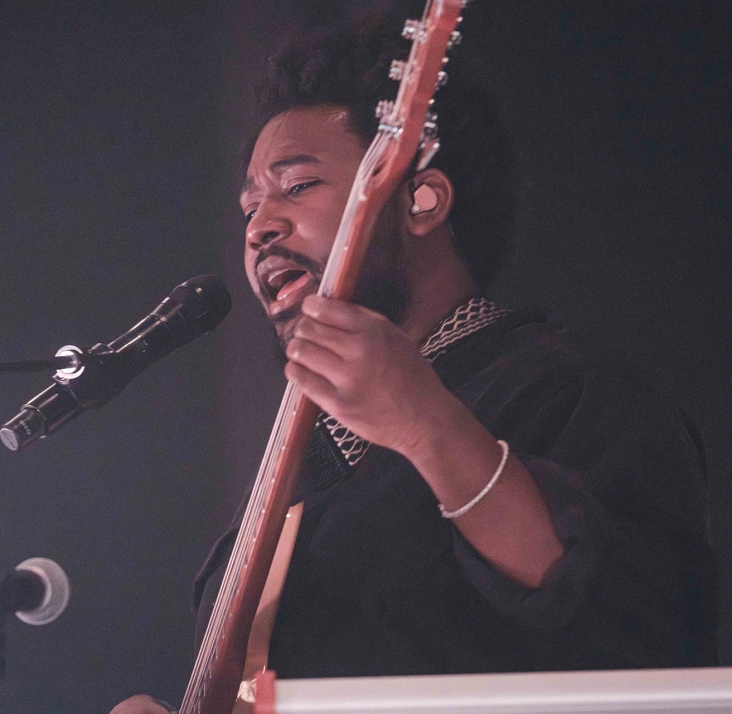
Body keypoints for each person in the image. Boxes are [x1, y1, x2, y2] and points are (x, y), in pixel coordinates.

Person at [111, 8, 716, 713]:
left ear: (421, 198)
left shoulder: (569, 390)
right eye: (250, 208)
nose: (261, 226)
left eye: (297, 185)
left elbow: (640, 637)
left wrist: (428, 423)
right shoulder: (291, 470)